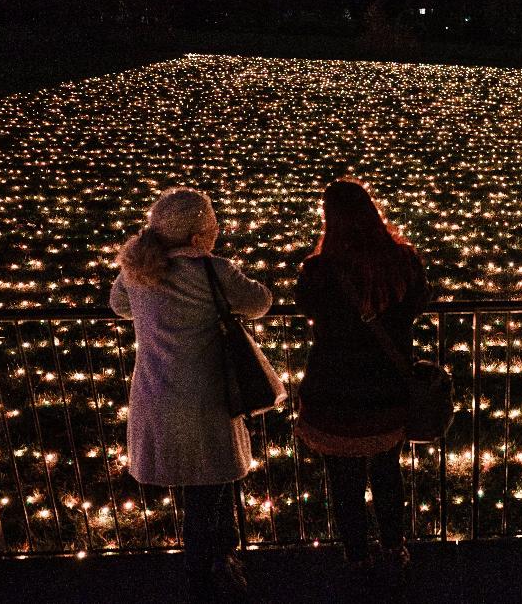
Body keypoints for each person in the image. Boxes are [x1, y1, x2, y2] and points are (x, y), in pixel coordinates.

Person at [110, 186, 272, 602]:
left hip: (155, 394)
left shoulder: (135, 271)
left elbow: (119, 306)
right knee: (207, 488)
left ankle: (217, 558)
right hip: (207, 398)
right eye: (213, 226)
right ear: (199, 236)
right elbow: (260, 302)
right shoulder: (212, 270)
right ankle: (203, 571)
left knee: (198, 486)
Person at [294, 178, 430, 589]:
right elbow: (420, 301)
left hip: (333, 394)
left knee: (343, 481)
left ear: (328, 219)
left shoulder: (318, 271)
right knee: (387, 471)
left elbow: (306, 305)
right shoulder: (403, 262)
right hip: (387, 392)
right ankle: (394, 547)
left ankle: (357, 556)